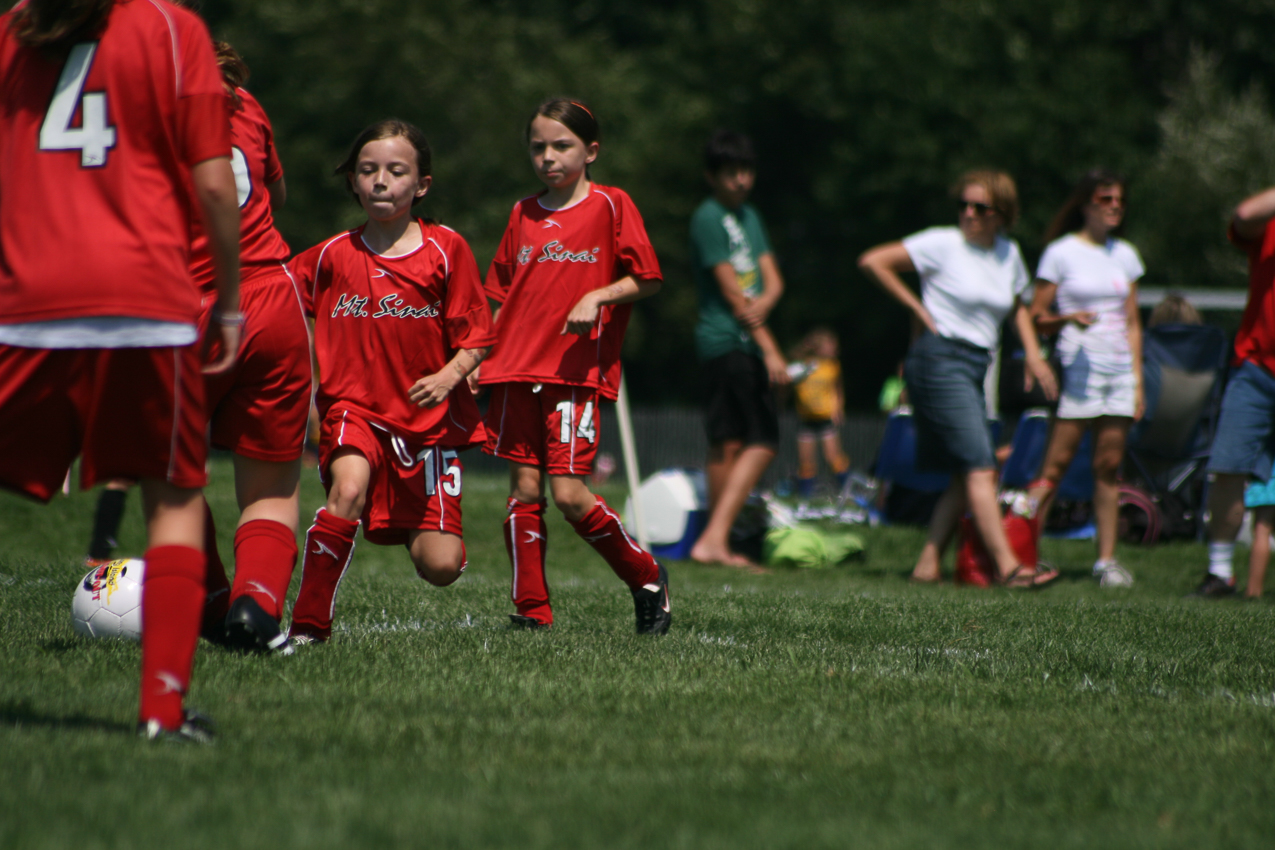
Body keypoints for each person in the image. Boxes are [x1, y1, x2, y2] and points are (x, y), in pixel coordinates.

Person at [0, 0, 240, 741]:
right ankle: (162, 715)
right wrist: (228, 298)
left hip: (23, 295)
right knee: (172, 499)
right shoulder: (170, 27)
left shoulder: (13, 26)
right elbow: (211, 180)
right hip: (145, 301)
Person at [284, 120, 496, 644]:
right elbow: (278, 299)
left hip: (426, 429)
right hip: (352, 410)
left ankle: (408, 523)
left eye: (396, 171)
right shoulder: (332, 255)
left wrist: (449, 376)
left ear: (421, 185)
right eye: (368, 170)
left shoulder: (446, 251)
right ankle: (308, 628)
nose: (381, 181)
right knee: (347, 489)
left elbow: (478, 338)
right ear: (353, 182)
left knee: (440, 567)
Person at [477, 98, 671, 634]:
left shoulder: (612, 205)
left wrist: (600, 297)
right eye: (537, 147)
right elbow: (500, 295)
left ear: (591, 151)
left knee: (567, 493)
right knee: (523, 490)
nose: (548, 157)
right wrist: (479, 354)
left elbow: (649, 280)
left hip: (573, 373)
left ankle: (647, 576)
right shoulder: (522, 213)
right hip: (515, 370)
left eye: (561, 146)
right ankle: (532, 613)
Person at [858, 170, 1058, 587]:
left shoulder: (1009, 253)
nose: (968, 213)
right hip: (938, 358)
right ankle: (1009, 568)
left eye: (980, 207)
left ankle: (927, 566)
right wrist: (916, 306)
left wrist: (1036, 358)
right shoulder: (941, 243)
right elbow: (873, 261)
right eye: (963, 205)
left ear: (1002, 213)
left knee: (965, 470)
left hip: (976, 364)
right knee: (981, 467)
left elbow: (1019, 306)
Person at [187, 40, 312, 653]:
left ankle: (213, 601)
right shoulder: (246, 103)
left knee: (173, 483)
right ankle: (255, 606)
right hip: (271, 297)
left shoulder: (132, 105)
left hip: (182, 308)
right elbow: (276, 196)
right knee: (269, 488)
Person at [1024, 170, 1145, 588]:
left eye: (1119, 201)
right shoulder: (1061, 253)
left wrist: (1138, 380)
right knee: (1054, 466)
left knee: (1108, 467)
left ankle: (1106, 561)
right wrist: (1067, 318)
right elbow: (1035, 318)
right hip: (1079, 371)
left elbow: (1133, 323)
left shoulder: (1125, 254)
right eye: (1105, 199)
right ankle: (1022, 553)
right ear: (1085, 204)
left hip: (1118, 373)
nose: (1114, 206)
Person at [688, 130, 789, 568]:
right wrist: (772, 349)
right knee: (753, 440)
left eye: (746, 171)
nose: (741, 181)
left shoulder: (750, 217)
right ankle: (715, 540)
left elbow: (774, 280)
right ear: (712, 176)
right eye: (731, 173)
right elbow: (734, 297)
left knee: (735, 440)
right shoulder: (708, 217)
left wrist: (764, 303)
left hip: (747, 337)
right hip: (724, 340)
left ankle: (717, 541)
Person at [1190, 186, 1275, 598]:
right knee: (1228, 466)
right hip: (1257, 369)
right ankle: (1220, 573)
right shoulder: (1269, 222)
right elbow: (1244, 213)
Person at [789, 327, 851, 498]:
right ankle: (805, 497)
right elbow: (791, 361)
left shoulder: (832, 366)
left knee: (835, 458)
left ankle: (848, 493)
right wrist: (806, 346)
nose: (835, 350)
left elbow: (838, 389)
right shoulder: (804, 364)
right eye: (831, 346)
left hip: (825, 418)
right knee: (806, 462)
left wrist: (838, 408)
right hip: (806, 419)